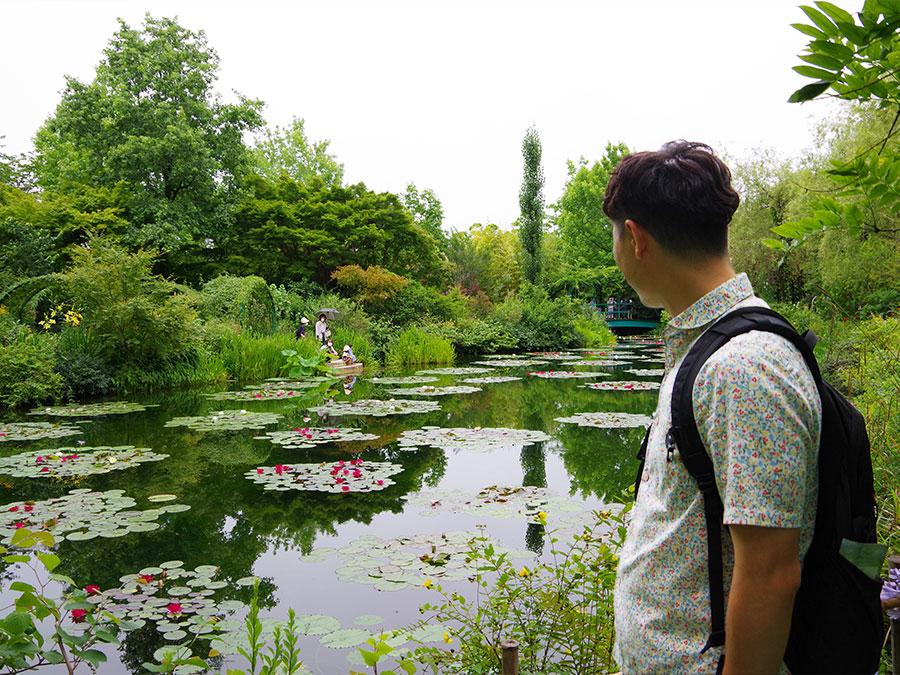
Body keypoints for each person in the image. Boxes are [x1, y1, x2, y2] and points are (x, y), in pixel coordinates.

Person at [604, 141, 820, 675]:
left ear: (635, 237)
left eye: (614, 236)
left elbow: (771, 573)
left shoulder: (744, 367)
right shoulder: (705, 350)